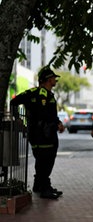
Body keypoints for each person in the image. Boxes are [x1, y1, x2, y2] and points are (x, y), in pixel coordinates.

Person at [10, 66, 65, 199]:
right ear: (47, 79)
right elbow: (13, 102)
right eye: (53, 78)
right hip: (38, 134)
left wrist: (58, 123)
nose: (55, 80)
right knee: (43, 160)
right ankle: (45, 188)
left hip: (50, 133)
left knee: (47, 159)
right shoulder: (32, 93)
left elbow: (51, 115)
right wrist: (18, 119)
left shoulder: (50, 95)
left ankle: (39, 185)